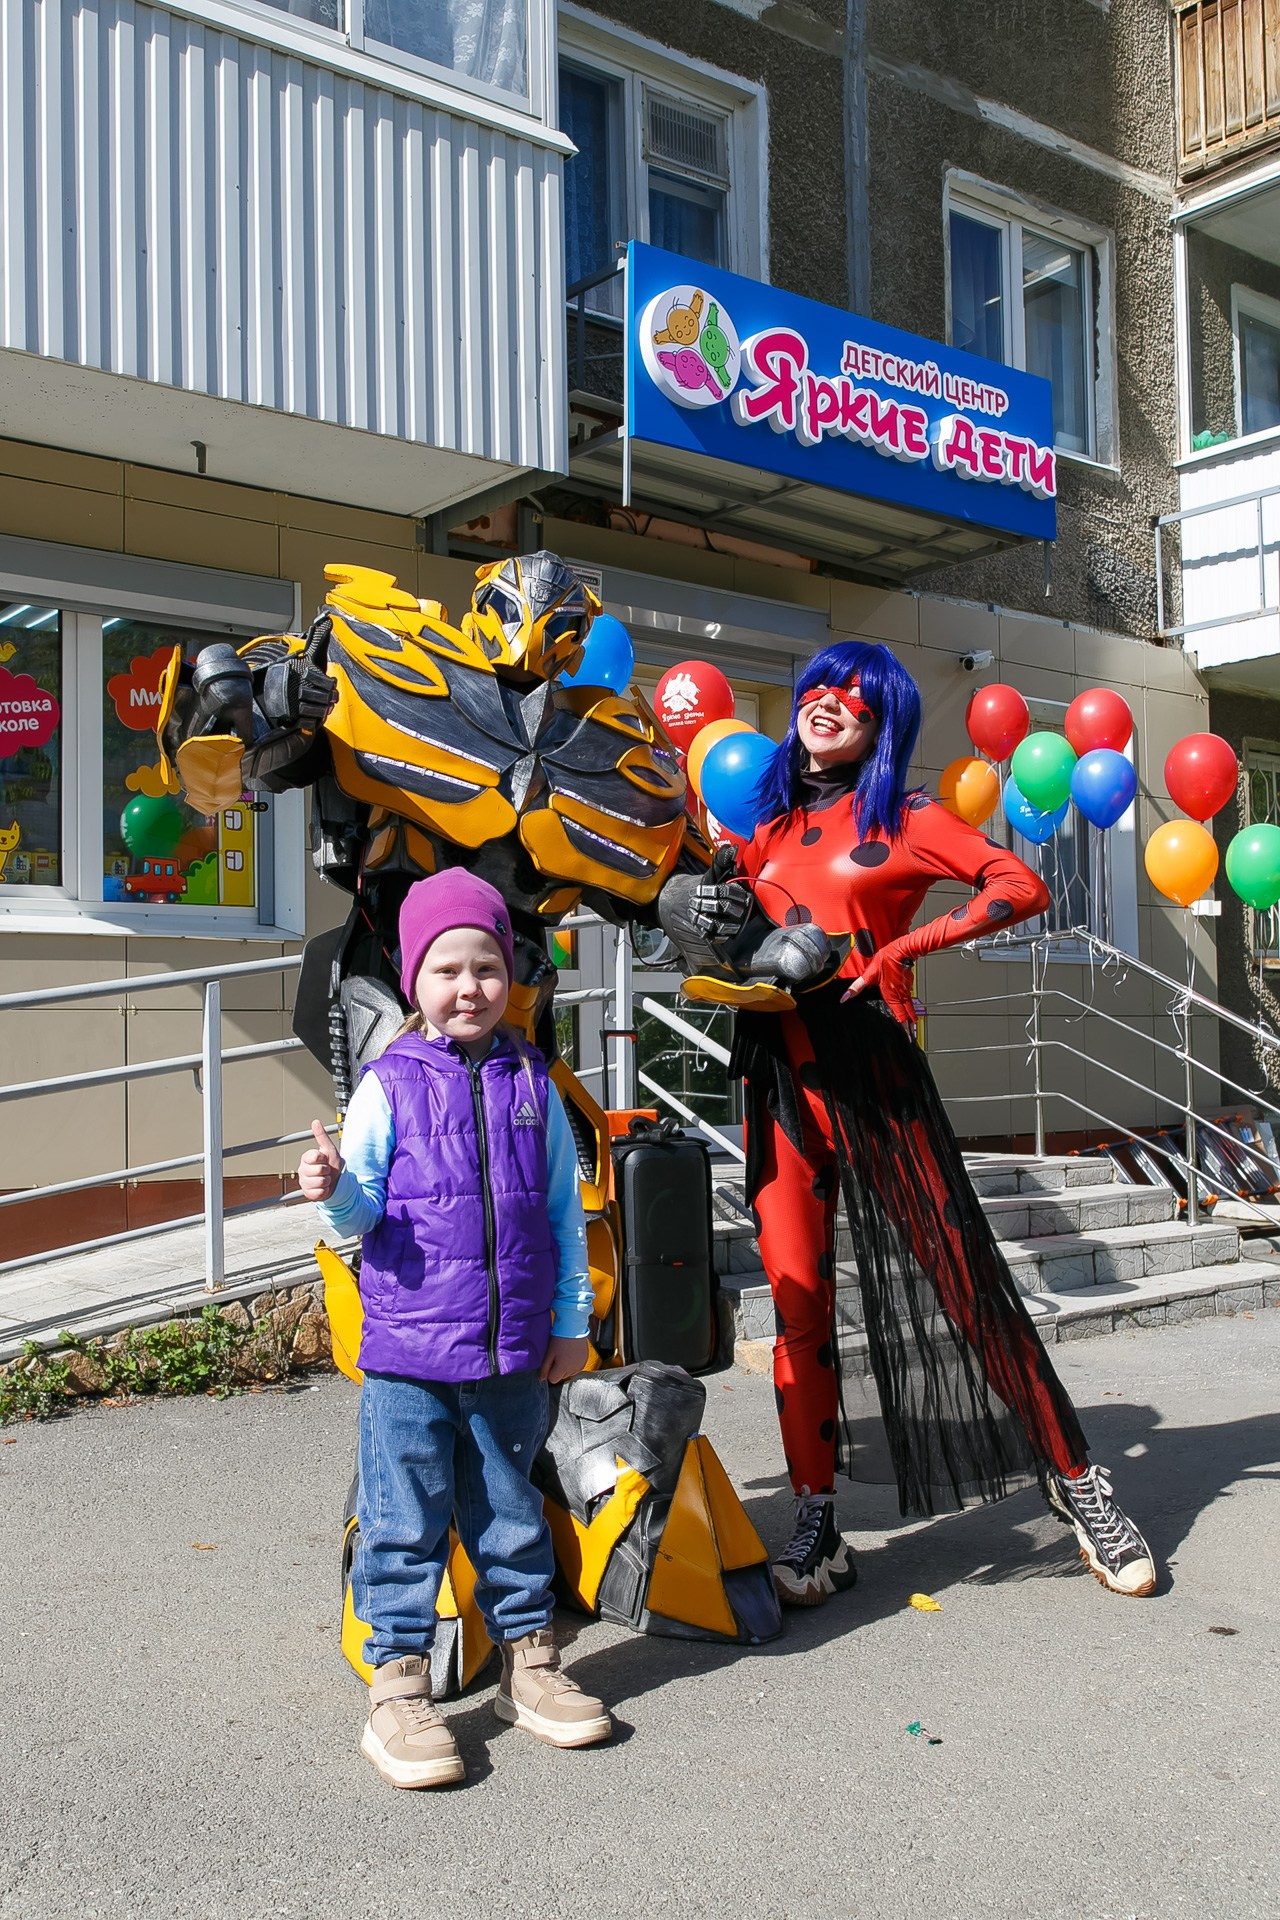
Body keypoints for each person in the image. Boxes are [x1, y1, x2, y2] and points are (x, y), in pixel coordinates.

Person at [688, 642, 1156, 1607]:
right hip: (777, 1072)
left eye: (854, 697)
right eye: (818, 688)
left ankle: (1079, 1484)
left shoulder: (905, 818)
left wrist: (909, 942)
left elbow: (1022, 887)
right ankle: (817, 1527)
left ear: (881, 721)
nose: (829, 703)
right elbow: (719, 923)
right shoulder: (763, 829)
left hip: (871, 1068)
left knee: (964, 1283)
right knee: (798, 1303)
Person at [298, 869, 612, 1789]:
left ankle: (532, 1666)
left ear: (510, 977)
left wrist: (569, 1325)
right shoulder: (386, 1084)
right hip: (407, 1357)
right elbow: (356, 1222)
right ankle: (397, 1688)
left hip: (513, 1352)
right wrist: (331, 1194)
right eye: (447, 969)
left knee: (511, 1512)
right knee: (404, 1521)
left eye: (487, 966)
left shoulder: (534, 1084)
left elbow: (562, 1215)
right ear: (413, 983)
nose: (469, 986)